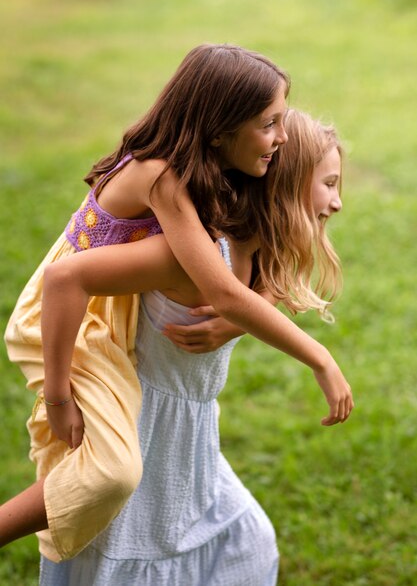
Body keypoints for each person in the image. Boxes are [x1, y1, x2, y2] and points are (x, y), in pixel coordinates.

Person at [0, 42, 352, 562]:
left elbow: (252, 271)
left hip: (98, 310)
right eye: (269, 123)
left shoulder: (202, 180)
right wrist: (58, 396)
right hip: (71, 320)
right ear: (220, 127)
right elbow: (221, 290)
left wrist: (236, 322)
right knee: (110, 472)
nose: (280, 135)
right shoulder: (163, 177)